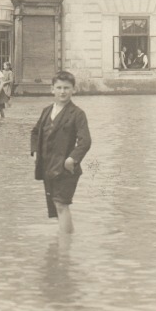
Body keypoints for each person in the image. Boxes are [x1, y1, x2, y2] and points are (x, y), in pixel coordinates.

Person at [31, 71, 91, 234]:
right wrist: (35, 151)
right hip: (48, 166)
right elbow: (35, 132)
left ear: (74, 90)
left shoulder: (77, 114)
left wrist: (72, 158)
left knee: (61, 204)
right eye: (59, 87)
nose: (62, 91)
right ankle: (63, 245)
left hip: (67, 168)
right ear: (52, 89)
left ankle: (65, 250)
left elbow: (85, 141)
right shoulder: (46, 111)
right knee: (56, 207)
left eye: (67, 88)